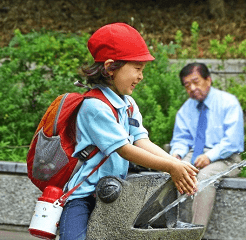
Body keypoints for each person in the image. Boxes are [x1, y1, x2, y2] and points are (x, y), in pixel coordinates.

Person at [59, 23, 199, 240]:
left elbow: (142, 141)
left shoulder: (128, 104)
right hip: (83, 197)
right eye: (137, 68)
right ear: (110, 68)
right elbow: (126, 150)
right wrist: (171, 166)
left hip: (114, 196)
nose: (141, 76)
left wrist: (177, 164)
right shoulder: (94, 107)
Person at [170, 62, 244, 229]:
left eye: (196, 81)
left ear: (208, 80)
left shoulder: (228, 102)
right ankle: (163, 229)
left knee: (205, 177)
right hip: (194, 153)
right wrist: (176, 156)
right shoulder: (185, 109)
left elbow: (232, 141)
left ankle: (195, 233)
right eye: (187, 85)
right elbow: (181, 139)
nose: (192, 88)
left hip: (226, 157)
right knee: (170, 171)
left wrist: (209, 156)